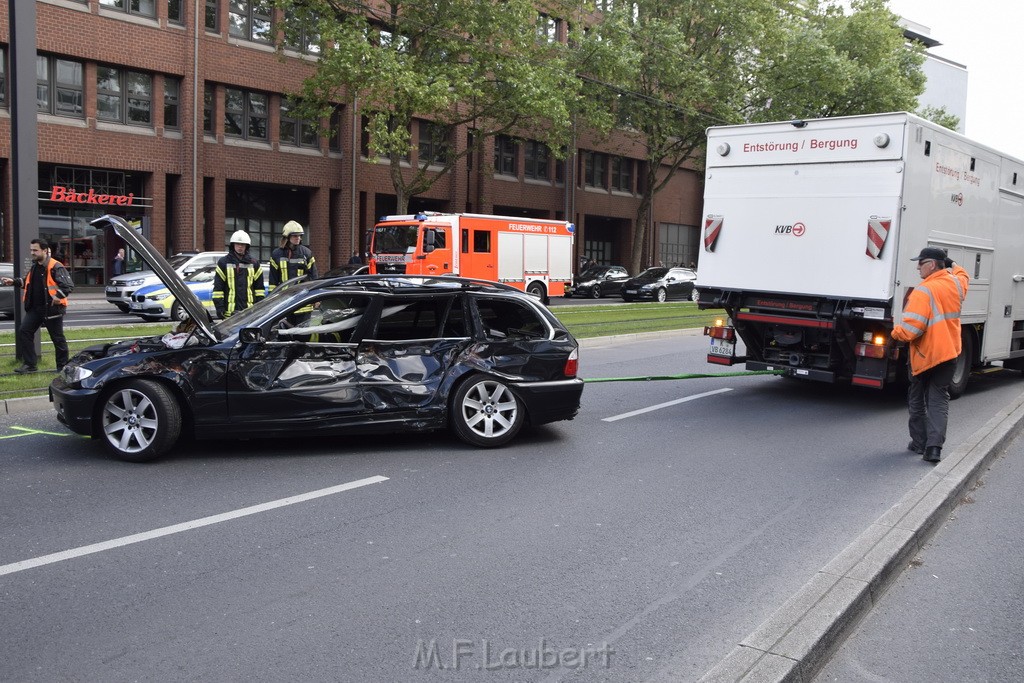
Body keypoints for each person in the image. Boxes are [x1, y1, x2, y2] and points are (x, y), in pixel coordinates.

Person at [891, 247, 969, 463]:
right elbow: (964, 275)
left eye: (921, 262)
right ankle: (934, 449)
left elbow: (911, 331)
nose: (917, 267)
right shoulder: (955, 284)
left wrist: (895, 330)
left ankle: (919, 443)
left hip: (925, 356)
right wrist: (951, 262)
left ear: (932, 264)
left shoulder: (923, 291)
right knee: (938, 400)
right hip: (949, 354)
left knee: (916, 399)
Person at [1, 238, 75, 373]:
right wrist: (12, 282)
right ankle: (30, 365)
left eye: (35, 250)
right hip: (35, 309)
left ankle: (62, 367)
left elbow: (68, 286)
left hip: (52, 309)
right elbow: (26, 282)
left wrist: (58, 297)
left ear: (45, 251)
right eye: (31, 250)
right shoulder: (35, 266)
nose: (32, 253)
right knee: (25, 331)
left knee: (58, 339)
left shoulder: (55, 266)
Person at [212, 230, 265, 318]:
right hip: (229, 313)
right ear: (233, 245)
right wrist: (219, 308)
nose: (240, 247)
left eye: (243, 244)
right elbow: (218, 289)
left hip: (249, 312)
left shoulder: (254, 263)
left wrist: (259, 307)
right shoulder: (223, 262)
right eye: (237, 244)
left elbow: (259, 289)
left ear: (246, 246)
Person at [268, 221, 317, 291]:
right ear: (287, 237)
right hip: (282, 296)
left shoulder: (307, 253)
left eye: (300, 235)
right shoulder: (276, 254)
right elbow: (273, 280)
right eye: (295, 236)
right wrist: (272, 298)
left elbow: (313, 277)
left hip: (301, 296)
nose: (298, 238)